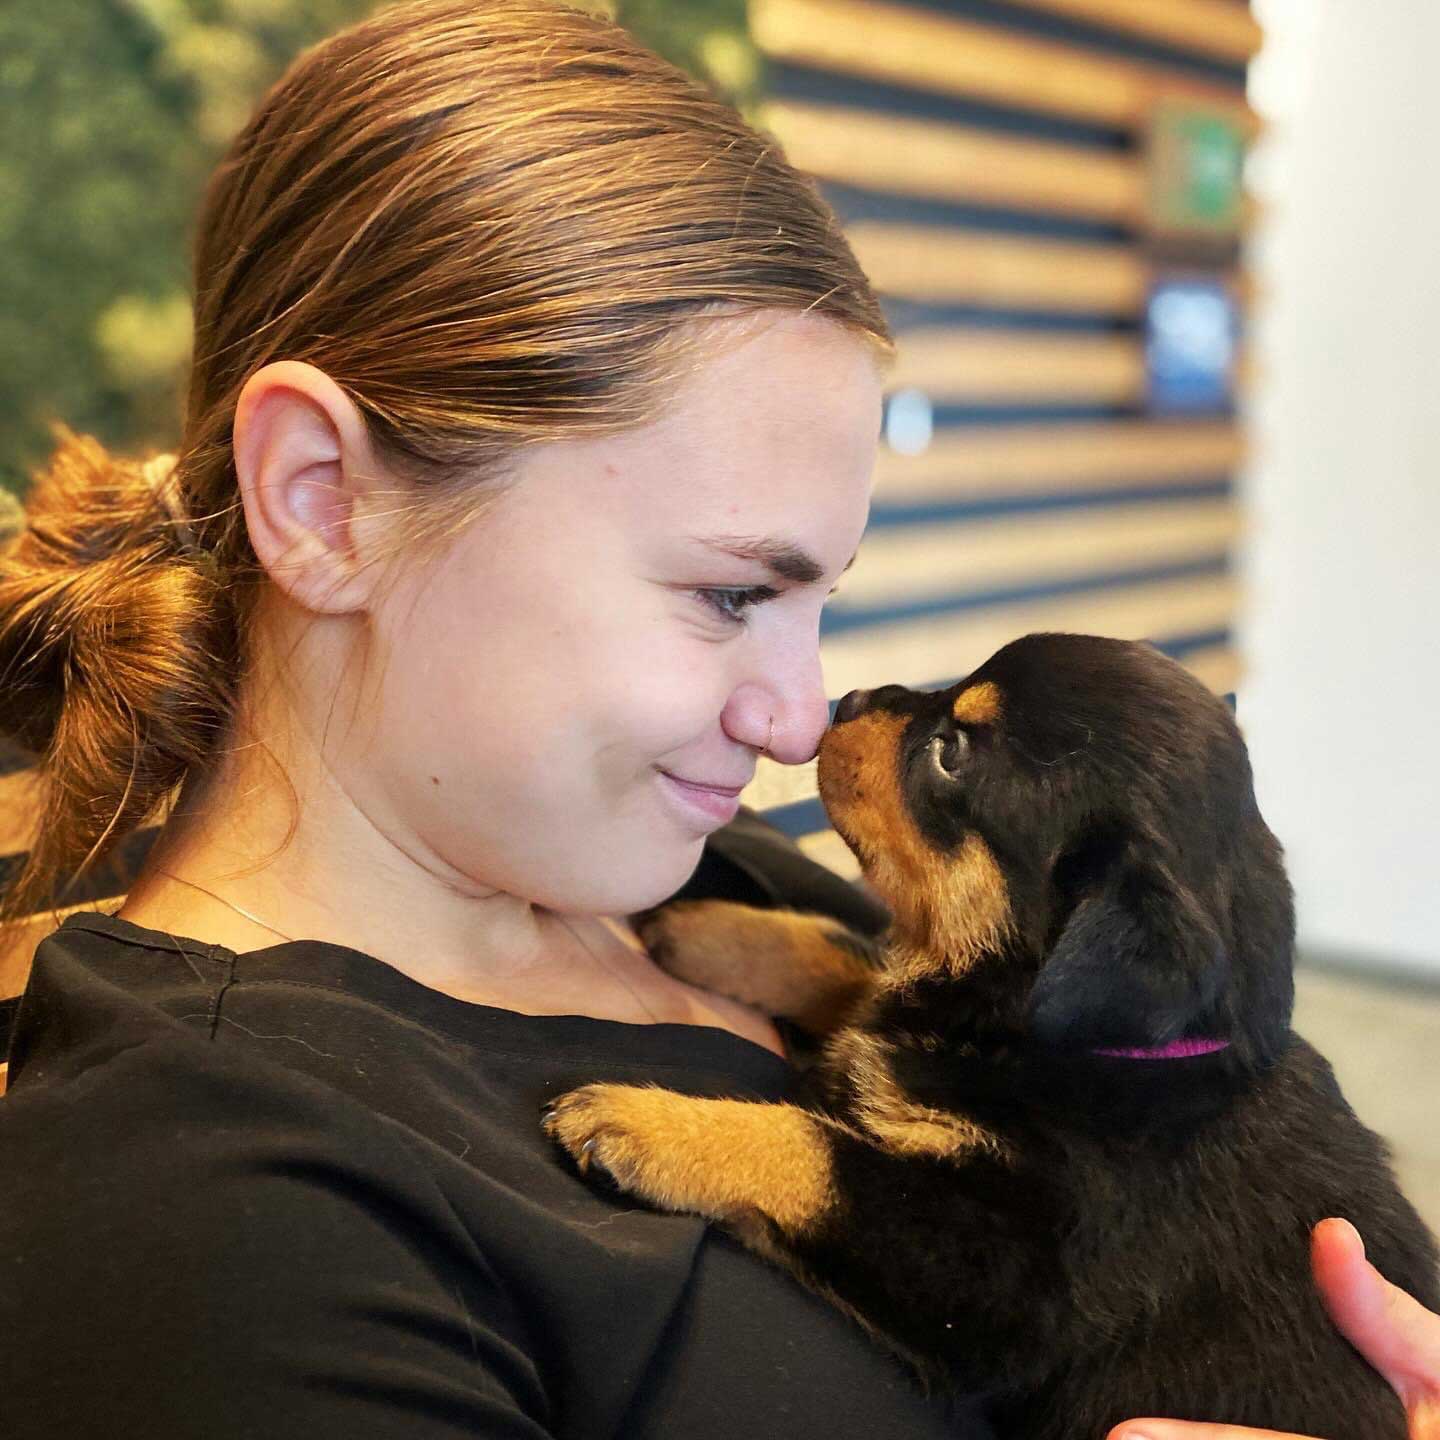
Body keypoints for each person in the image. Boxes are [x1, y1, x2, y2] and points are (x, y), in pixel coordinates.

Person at [0, 1, 1435, 1435]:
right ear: (325, 500)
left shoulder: (696, 874)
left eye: (817, 603)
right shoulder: (213, 1205)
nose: (800, 717)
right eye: (732, 593)